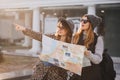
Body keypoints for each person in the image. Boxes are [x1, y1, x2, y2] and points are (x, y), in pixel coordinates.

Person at [69, 14, 104, 80]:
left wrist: (89, 54)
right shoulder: (75, 36)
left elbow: (98, 59)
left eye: (85, 21)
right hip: (76, 74)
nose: (82, 22)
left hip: (91, 74)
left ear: (91, 24)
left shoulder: (98, 39)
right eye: (81, 20)